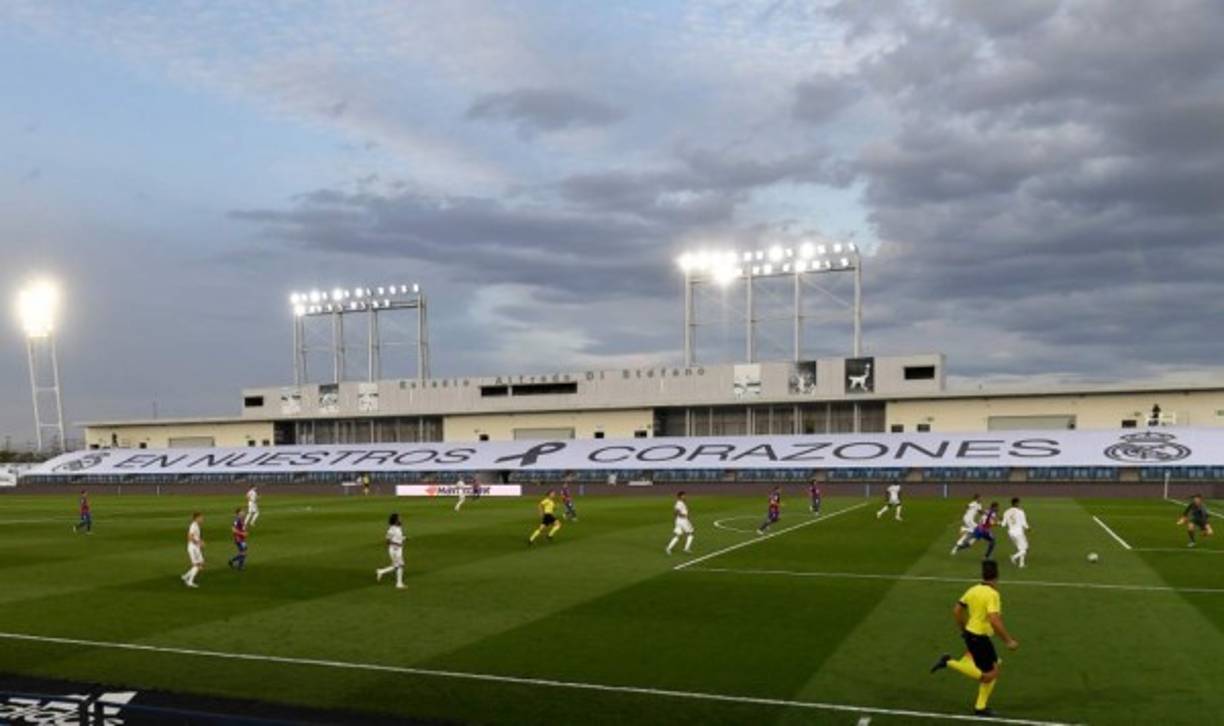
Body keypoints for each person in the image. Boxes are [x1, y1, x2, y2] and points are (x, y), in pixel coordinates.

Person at [930, 559, 1019, 717]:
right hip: (979, 638)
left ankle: (980, 706)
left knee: (995, 664)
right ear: (997, 576)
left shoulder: (973, 589)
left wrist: (963, 629)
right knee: (990, 675)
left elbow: (957, 610)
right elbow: (994, 619)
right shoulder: (993, 594)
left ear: (983, 575)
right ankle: (948, 662)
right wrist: (1008, 640)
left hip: (972, 634)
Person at [375, 513, 406, 589]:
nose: (400, 519)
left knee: (396, 566)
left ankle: (381, 571)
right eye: (399, 518)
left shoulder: (398, 527)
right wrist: (397, 544)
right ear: (395, 520)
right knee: (400, 565)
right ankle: (399, 584)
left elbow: (398, 537)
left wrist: (403, 538)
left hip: (399, 549)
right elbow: (387, 541)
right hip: (395, 549)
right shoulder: (391, 529)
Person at [1001, 498, 1030, 568]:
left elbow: (1003, 524)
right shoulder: (1020, 511)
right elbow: (1024, 522)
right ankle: (1013, 557)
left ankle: (1021, 564)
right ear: (1016, 503)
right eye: (1018, 503)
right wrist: (1028, 528)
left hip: (1011, 533)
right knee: (1025, 548)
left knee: (1021, 548)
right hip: (1019, 532)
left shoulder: (1006, 512)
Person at [181, 512, 204, 588]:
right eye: (201, 518)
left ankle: (185, 576)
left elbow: (195, 536)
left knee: (200, 563)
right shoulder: (193, 526)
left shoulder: (197, 525)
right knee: (197, 565)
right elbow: (189, 537)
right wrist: (198, 542)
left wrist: (200, 541)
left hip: (196, 547)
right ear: (196, 518)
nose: (202, 519)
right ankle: (189, 582)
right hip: (193, 548)